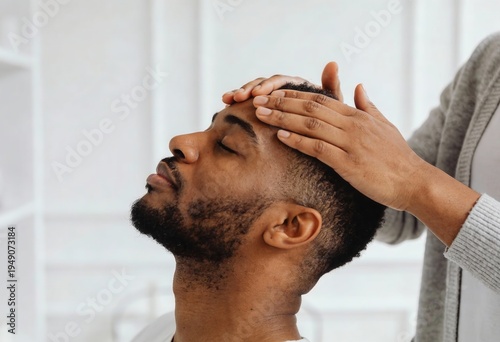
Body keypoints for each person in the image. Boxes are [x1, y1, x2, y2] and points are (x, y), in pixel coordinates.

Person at [223, 33, 500, 342]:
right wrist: (329, 146)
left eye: (225, 146)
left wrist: (416, 182)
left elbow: (414, 184)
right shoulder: (492, 59)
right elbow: (403, 213)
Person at [130, 83, 386, 342]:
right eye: (210, 127)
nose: (180, 142)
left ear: (289, 226)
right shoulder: (157, 332)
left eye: (226, 145)